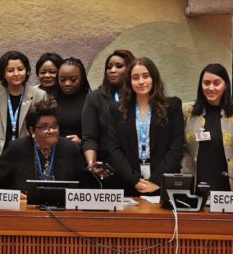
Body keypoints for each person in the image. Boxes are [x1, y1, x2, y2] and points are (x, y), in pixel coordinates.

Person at [106, 57, 184, 196]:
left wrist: (156, 181)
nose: (141, 81)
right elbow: (114, 149)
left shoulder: (172, 106)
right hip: (129, 183)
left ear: (154, 78)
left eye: (146, 76)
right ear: (129, 81)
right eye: (135, 77)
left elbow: (176, 147)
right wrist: (134, 180)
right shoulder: (117, 110)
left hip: (162, 183)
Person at [182, 63, 233, 192]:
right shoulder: (187, 111)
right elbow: (178, 149)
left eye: (216, 83)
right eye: (206, 83)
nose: (211, 88)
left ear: (225, 85)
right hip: (193, 185)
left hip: (228, 187)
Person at [0, 51, 47, 180]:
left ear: (27, 71)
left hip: (26, 159)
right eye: (10, 70)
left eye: (20, 69)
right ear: (2, 73)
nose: (16, 74)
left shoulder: (39, 95)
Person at [0, 99, 83, 190]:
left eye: (54, 126)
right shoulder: (17, 148)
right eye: (44, 127)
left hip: (62, 201)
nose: (51, 131)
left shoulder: (70, 148)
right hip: (26, 201)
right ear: (32, 130)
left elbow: (83, 182)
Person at [81, 48, 135, 176]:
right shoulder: (94, 97)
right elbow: (89, 138)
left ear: (130, 69)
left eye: (119, 66)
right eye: (109, 67)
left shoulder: (139, 97)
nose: (112, 70)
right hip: (107, 163)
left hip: (135, 162)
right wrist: (91, 163)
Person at [55, 57, 89, 144]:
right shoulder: (51, 99)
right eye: (62, 80)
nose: (67, 83)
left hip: (81, 150)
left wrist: (82, 143)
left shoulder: (90, 100)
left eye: (73, 79)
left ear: (81, 79)